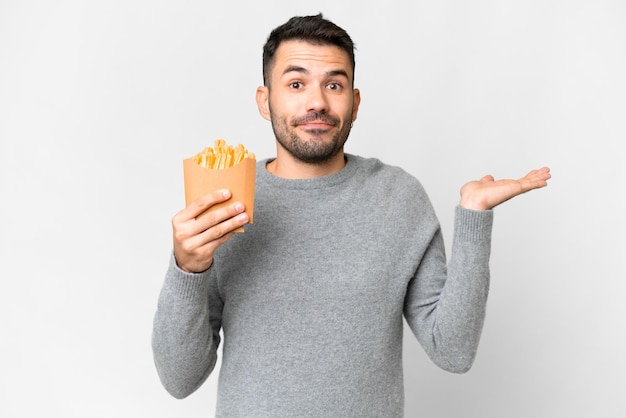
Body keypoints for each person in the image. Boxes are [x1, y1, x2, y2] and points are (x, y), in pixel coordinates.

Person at [152, 13, 551, 417]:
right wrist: (187, 267)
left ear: (355, 102)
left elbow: (453, 350)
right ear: (264, 100)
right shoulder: (226, 200)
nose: (317, 102)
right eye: (295, 84)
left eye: (334, 84)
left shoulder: (399, 198)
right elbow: (180, 379)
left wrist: (474, 217)